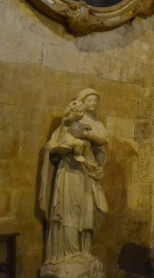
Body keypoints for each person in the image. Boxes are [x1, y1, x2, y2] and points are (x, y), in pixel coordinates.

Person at [39, 89, 108, 275]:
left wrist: (87, 136)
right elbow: (51, 145)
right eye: (89, 99)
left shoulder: (96, 124)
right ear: (81, 102)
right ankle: (69, 254)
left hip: (87, 174)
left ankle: (83, 251)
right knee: (69, 212)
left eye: (96, 100)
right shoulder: (67, 122)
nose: (93, 102)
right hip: (69, 173)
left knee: (89, 212)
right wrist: (59, 149)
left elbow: (103, 141)